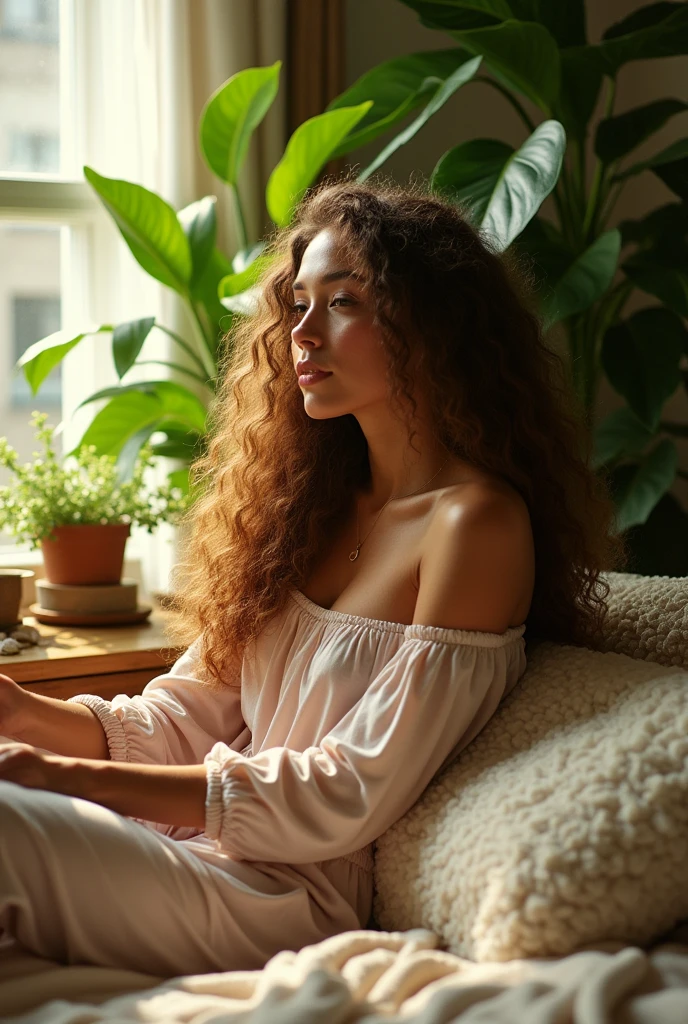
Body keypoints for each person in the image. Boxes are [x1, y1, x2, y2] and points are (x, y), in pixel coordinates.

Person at [0, 175, 626, 978]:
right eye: (297, 302)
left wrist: (55, 776)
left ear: (431, 325)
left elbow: (350, 789)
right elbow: (179, 720)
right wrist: (21, 713)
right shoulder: (309, 510)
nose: (301, 331)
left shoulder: (475, 524)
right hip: (184, 849)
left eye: (343, 302)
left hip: (283, 899)